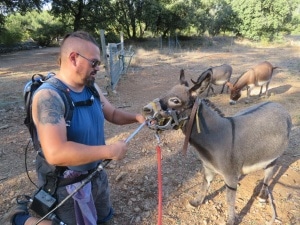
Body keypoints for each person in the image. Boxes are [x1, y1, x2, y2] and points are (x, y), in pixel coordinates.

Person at [7, 30, 145, 225]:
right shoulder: (49, 97)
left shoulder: (91, 87)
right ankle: (18, 219)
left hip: (96, 174)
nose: (99, 67)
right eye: (94, 62)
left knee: (105, 218)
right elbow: (56, 153)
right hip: (65, 185)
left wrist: (137, 117)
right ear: (74, 58)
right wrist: (109, 150)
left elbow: (112, 113)